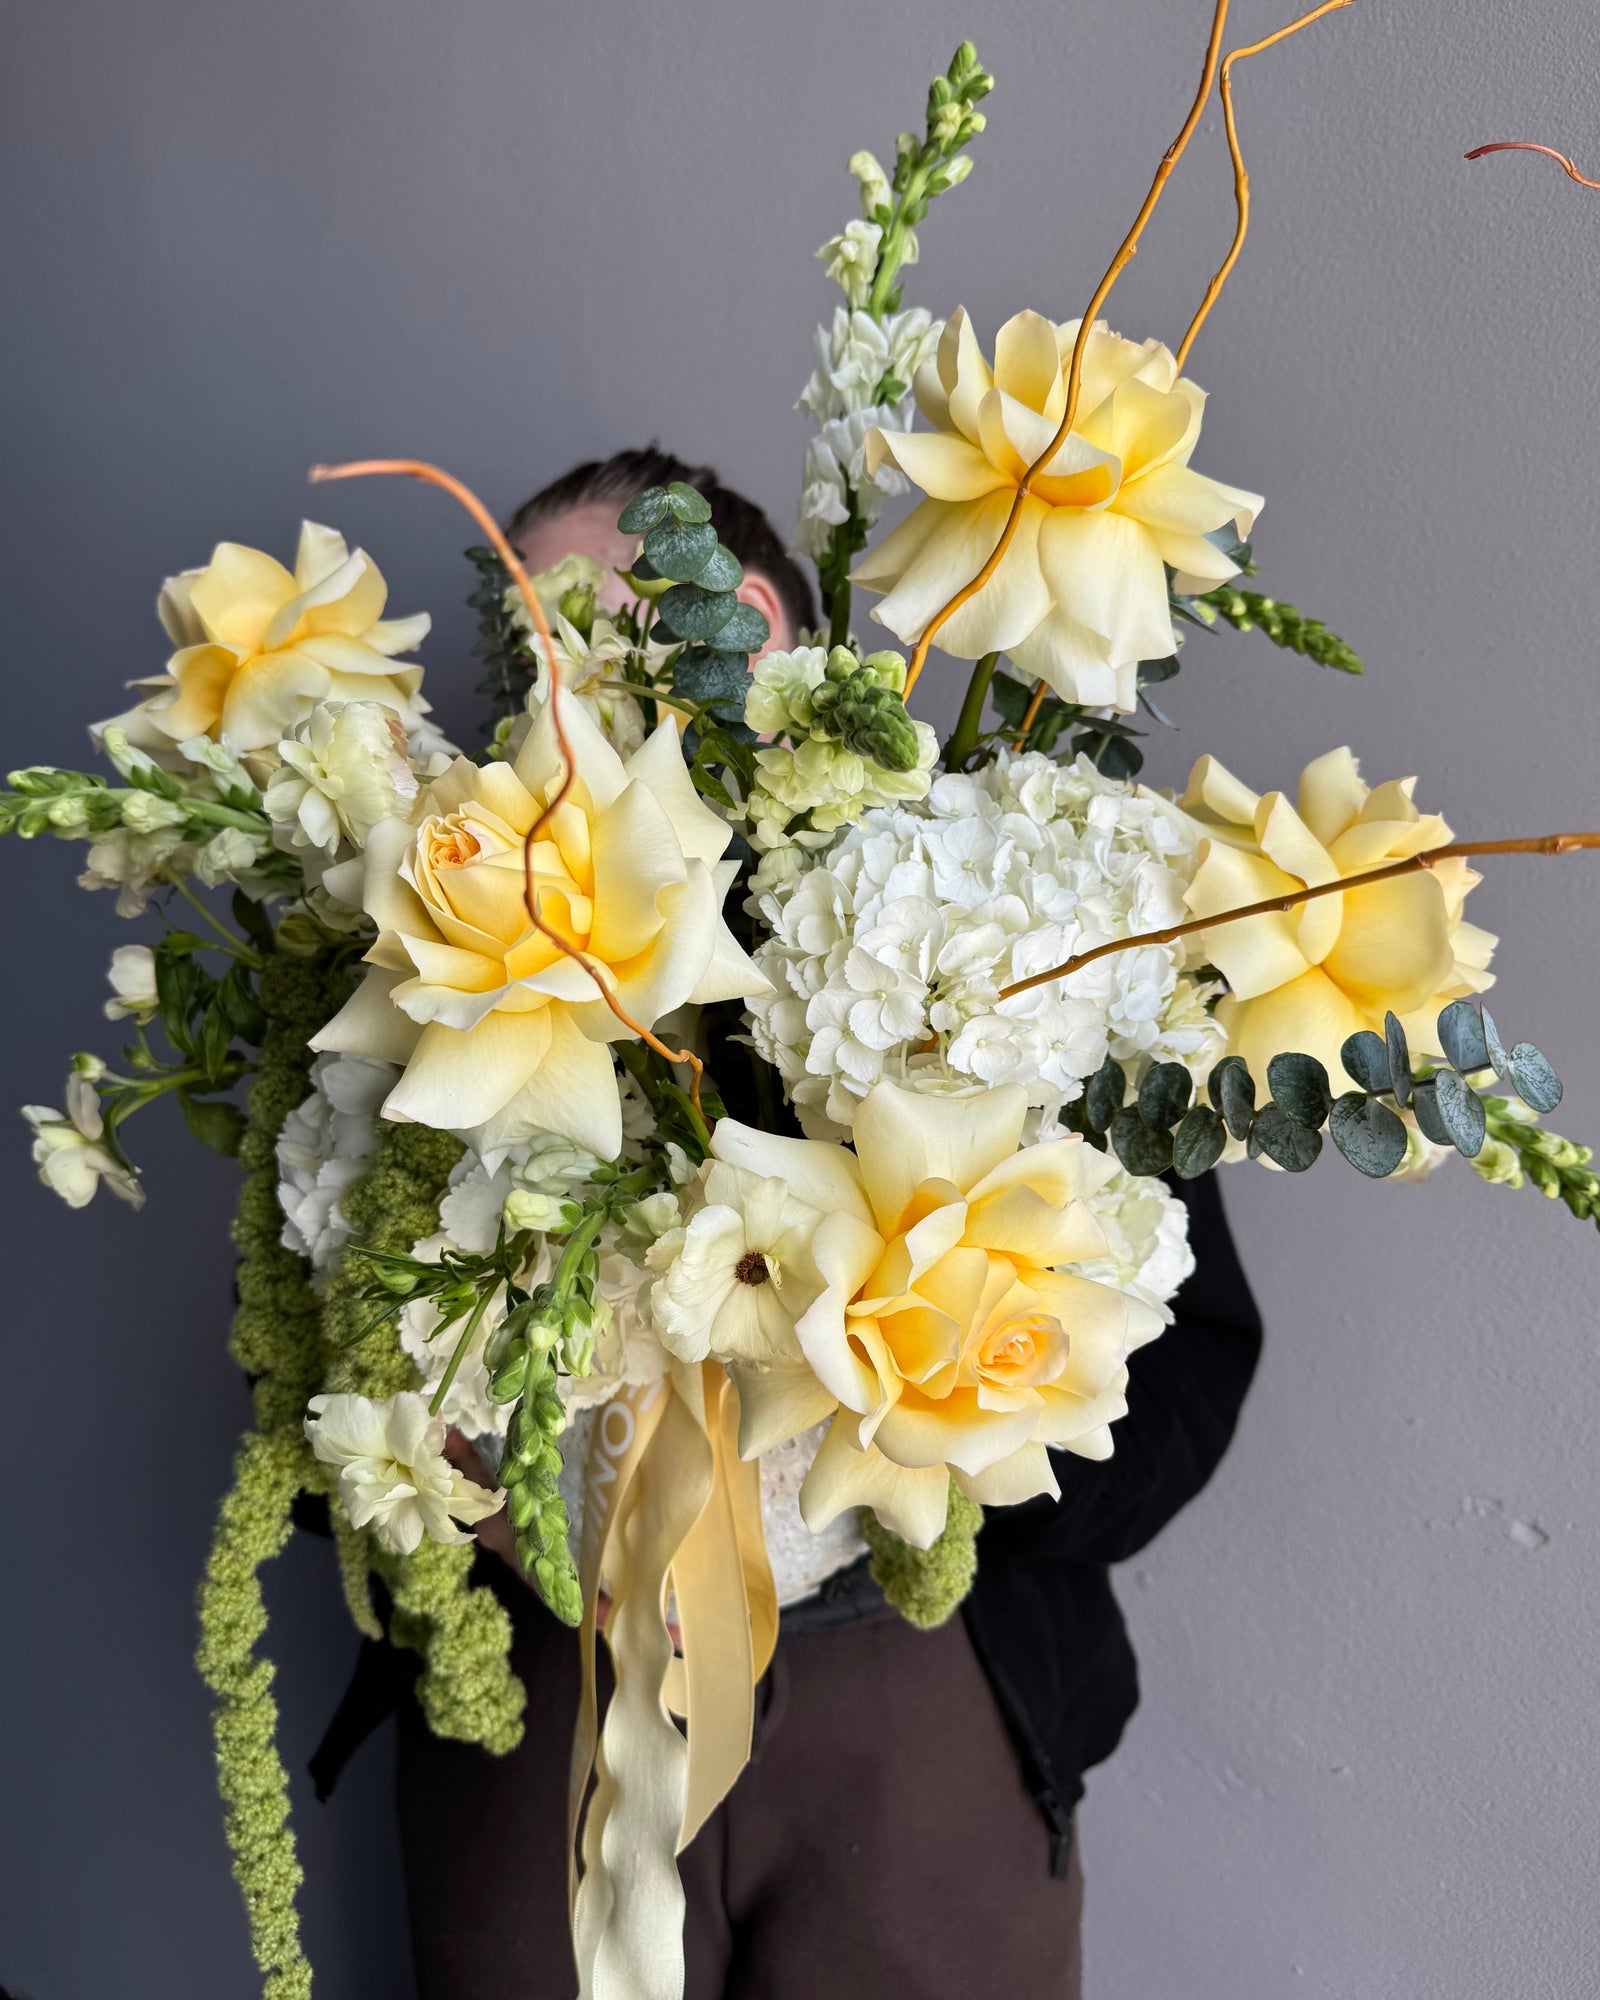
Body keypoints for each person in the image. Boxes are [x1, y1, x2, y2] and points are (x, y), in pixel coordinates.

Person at [316, 449, 1264, 1999]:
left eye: (562, 631)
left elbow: (1191, 1365)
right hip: (542, 1701)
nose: (525, 694)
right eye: (510, 649)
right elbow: (300, 1325)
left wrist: (941, 1438)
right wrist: (436, 1480)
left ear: (741, 617)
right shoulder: (431, 942)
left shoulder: (1007, 942)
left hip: (906, 1697)